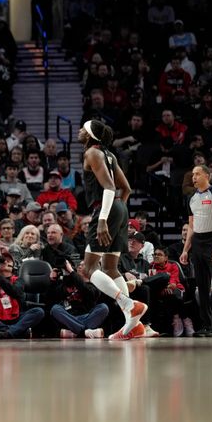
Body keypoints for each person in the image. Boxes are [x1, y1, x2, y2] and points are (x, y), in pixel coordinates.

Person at [79, 120, 147, 340]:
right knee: (110, 268)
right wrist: (120, 212)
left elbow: (109, 187)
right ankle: (134, 325)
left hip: (105, 209)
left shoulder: (92, 153)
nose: (80, 131)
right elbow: (125, 188)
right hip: (119, 207)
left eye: (83, 128)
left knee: (89, 269)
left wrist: (103, 219)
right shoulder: (109, 154)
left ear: (89, 134)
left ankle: (128, 305)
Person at [179, 165, 212, 337]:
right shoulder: (191, 198)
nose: (193, 177)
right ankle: (208, 326)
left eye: (197, 174)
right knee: (202, 287)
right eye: (192, 174)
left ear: (207, 176)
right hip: (198, 244)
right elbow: (192, 227)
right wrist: (186, 250)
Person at [0, 251, 45, 338]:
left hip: (17, 318)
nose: (5, 262)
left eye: (9, 260)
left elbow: (14, 292)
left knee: (39, 311)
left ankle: (5, 333)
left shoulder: (18, 280)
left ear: (14, 266)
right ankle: (17, 331)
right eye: (3, 260)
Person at [48, 261, 108, 338]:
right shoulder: (69, 281)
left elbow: (85, 289)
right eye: (79, 265)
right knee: (55, 309)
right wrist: (53, 280)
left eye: (83, 265)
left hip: (87, 317)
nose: (79, 266)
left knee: (103, 307)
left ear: (90, 270)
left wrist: (72, 272)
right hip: (68, 317)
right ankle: (84, 332)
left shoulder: (94, 286)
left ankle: (74, 332)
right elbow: (52, 297)